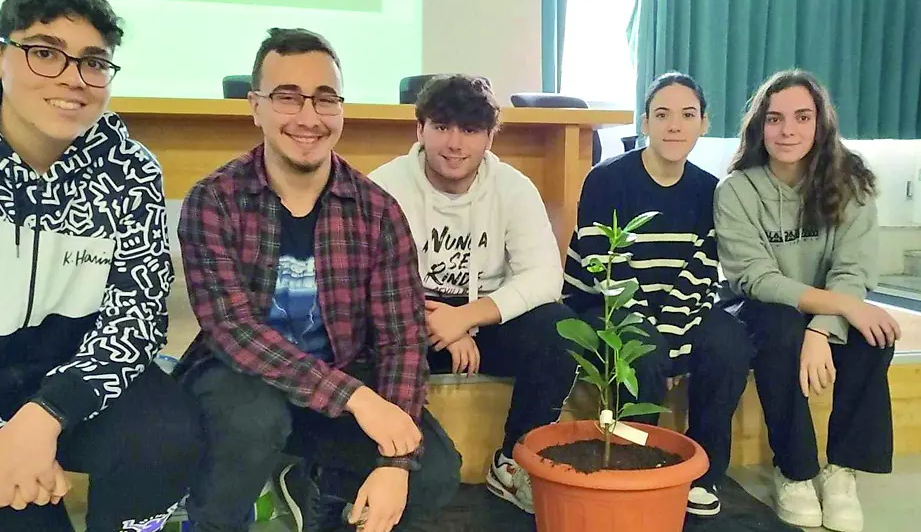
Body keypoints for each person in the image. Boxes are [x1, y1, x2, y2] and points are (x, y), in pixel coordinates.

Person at [0, 0, 202, 531]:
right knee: (7, 503)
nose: (73, 78)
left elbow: (135, 319)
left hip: (74, 385)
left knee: (167, 435)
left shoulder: (130, 170)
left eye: (93, 62)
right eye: (45, 52)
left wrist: (49, 413)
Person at [175, 28, 461, 532]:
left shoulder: (377, 211)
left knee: (433, 471)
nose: (309, 117)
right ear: (255, 106)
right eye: (288, 97)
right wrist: (357, 399)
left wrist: (395, 462)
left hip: (343, 375)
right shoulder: (214, 200)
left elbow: (402, 339)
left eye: (325, 98)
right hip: (241, 380)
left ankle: (324, 499)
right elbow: (232, 330)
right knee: (251, 421)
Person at [369, 74, 578, 515]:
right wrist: (439, 322)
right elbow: (367, 280)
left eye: (470, 130)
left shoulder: (513, 187)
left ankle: (513, 462)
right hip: (405, 323)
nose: (455, 143)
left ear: (488, 137)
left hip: (482, 323)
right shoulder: (383, 187)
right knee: (356, 335)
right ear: (420, 129)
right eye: (442, 127)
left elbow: (544, 276)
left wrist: (468, 317)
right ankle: (365, 467)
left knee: (558, 330)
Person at [562, 72, 756, 517]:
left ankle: (703, 472)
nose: (674, 125)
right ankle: (635, 468)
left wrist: (669, 334)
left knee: (730, 343)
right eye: (662, 115)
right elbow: (605, 267)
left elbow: (702, 272)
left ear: (703, 124)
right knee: (642, 353)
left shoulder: (711, 190)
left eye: (687, 115)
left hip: (679, 311)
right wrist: (658, 340)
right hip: (604, 305)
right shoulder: (606, 179)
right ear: (644, 122)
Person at [715, 69, 898, 532]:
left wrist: (822, 326)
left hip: (828, 308)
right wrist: (833, 309)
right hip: (763, 309)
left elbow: (853, 270)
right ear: (760, 127)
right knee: (780, 327)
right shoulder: (736, 190)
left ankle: (842, 469)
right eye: (775, 119)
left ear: (821, 124)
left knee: (876, 332)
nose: (788, 130)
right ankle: (795, 469)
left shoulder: (851, 182)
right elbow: (755, 277)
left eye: (801, 117)